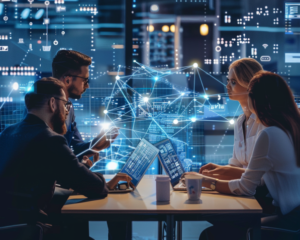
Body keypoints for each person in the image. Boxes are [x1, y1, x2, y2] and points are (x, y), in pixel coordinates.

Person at [0, 78, 133, 239]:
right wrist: (99, 179)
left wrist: (79, 167)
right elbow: (95, 187)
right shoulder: (49, 139)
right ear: (52, 103)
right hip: (33, 229)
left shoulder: (7, 133)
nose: (67, 110)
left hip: (9, 226)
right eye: (66, 105)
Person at [194, 72, 300, 239]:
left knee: (210, 234)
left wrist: (205, 182)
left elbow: (245, 187)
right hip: (293, 217)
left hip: (290, 222)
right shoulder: (292, 127)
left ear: (256, 99)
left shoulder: (270, 134)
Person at [199, 58, 265, 181]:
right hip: (244, 188)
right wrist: (213, 172)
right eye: (228, 81)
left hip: (259, 194)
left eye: (233, 82)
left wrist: (212, 178)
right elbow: (236, 166)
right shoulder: (240, 122)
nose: (227, 86)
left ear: (250, 85)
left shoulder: (264, 123)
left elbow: (260, 176)